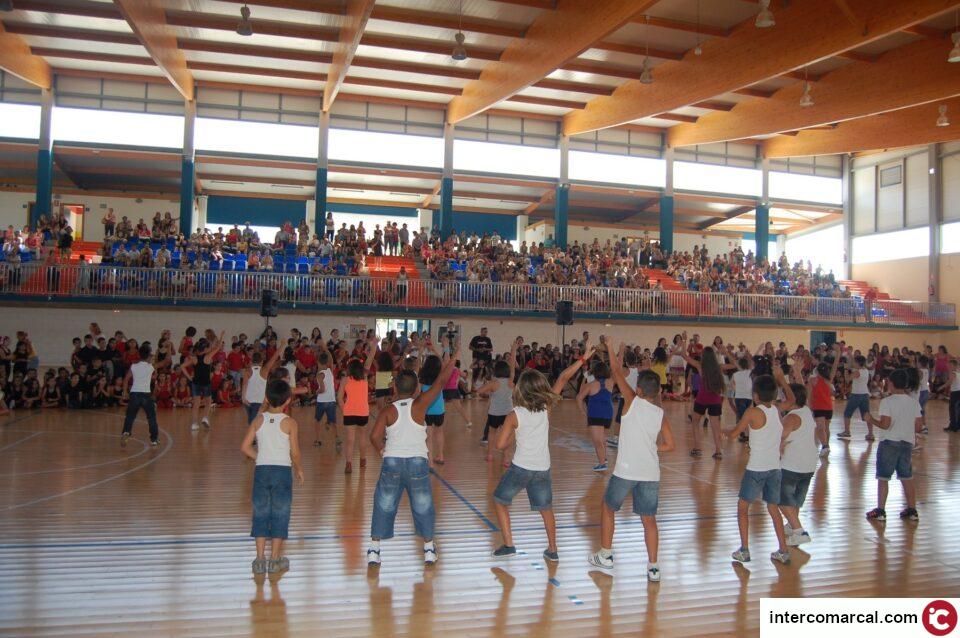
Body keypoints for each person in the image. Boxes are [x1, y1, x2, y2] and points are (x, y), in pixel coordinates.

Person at [490, 347, 592, 561]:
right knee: (546, 509)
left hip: (520, 468)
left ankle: (509, 544)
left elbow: (500, 445)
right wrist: (583, 358)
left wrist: (510, 435)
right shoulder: (546, 407)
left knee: (500, 500)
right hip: (542, 468)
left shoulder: (514, 414)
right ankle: (553, 549)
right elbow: (564, 377)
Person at [366, 346, 459, 568]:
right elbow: (441, 381)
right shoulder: (420, 404)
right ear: (417, 387)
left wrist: (381, 450)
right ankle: (428, 549)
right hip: (417, 464)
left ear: (394, 387)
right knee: (423, 505)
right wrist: (454, 358)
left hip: (392, 462)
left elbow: (374, 436)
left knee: (384, 504)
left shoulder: (388, 410)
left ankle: (374, 550)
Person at [588, 361, 675, 582]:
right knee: (649, 520)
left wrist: (609, 348)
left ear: (638, 390)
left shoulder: (632, 402)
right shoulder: (660, 414)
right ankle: (654, 567)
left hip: (625, 472)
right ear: (659, 391)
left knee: (608, 507)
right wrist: (653, 447)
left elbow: (616, 372)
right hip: (650, 473)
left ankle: (606, 554)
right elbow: (670, 445)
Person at [725, 373, 792, 565]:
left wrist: (724, 432)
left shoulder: (752, 412)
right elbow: (792, 401)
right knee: (773, 508)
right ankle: (783, 550)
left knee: (742, 507)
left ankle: (745, 549)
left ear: (755, 395)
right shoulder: (777, 411)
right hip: (775, 468)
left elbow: (735, 434)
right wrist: (782, 380)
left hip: (756, 469)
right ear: (773, 394)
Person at [240, 379, 304, 575]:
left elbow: (244, 447)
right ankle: (275, 559)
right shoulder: (290, 423)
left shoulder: (258, 420)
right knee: (280, 512)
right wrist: (299, 468)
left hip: (262, 471)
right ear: (287, 401)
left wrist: (260, 457)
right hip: (282, 472)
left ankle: (260, 559)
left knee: (260, 512)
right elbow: (294, 452)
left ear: (267, 398)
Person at [865, 369, 922, 522]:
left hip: (889, 443)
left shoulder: (887, 402)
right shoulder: (913, 402)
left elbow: (885, 424)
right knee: (907, 477)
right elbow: (918, 427)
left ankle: (881, 511)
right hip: (907, 443)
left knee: (883, 478)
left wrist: (871, 420)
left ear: (891, 383)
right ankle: (912, 510)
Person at [778, 378, 817, 547]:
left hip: (792, 464)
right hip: (809, 463)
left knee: (782, 499)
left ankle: (799, 531)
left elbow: (780, 435)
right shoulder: (807, 410)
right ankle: (791, 525)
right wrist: (798, 373)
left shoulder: (791, 418)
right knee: (795, 498)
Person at [475, 338, 518, 465]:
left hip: (494, 413)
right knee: (507, 436)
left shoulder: (494, 383)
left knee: (492, 434)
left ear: (496, 371)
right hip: (507, 413)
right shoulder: (510, 381)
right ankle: (506, 459)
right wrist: (513, 349)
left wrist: (489, 392)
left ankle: (489, 455)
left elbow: (479, 391)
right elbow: (512, 366)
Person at [337, 338, 376, 474]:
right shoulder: (364, 377)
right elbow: (370, 358)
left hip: (349, 413)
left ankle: (348, 464)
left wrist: (344, 410)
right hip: (363, 412)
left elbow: (339, 398)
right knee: (363, 437)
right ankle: (363, 460)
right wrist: (374, 344)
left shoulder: (345, 379)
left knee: (349, 440)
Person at [120, 342, 162, 448]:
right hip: (146, 395)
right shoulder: (150, 367)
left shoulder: (133, 366)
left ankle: (126, 432)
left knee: (130, 416)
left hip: (134, 394)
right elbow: (166, 361)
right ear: (149, 355)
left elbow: (126, 379)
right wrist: (167, 349)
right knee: (151, 417)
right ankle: (154, 439)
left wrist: (125, 392)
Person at [577, 359, 615, 472]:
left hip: (595, 414)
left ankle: (602, 463)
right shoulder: (611, 382)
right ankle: (604, 458)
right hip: (608, 414)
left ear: (595, 372)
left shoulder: (591, 385)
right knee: (602, 437)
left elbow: (579, 397)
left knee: (597, 440)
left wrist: (582, 411)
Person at [187, 332, 224, 432]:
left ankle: (194, 424)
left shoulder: (194, 358)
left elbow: (182, 366)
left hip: (196, 383)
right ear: (205, 349)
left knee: (196, 405)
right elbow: (218, 346)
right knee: (208, 402)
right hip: (206, 383)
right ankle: (205, 418)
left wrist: (189, 377)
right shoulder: (208, 357)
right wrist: (221, 336)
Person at [809, 344, 841, 457]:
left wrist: (809, 406)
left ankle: (825, 446)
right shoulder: (829, 380)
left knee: (820, 428)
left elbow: (809, 395)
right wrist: (838, 353)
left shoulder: (813, 380)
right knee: (825, 427)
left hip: (818, 407)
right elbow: (835, 366)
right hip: (828, 407)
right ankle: (826, 445)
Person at [242, 349, 280, 425]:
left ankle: (254, 435)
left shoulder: (248, 371)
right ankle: (254, 435)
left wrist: (243, 398)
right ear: (262, 361)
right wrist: (282, 345)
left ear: (251, 361)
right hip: (258, 401)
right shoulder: (265, 370)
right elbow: (274, 357)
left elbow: (244, 384)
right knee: (253, 422)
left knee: (252, 420)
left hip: (247, 400)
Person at [841, 355, 873, 441]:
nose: (853, 363)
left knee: (847, 413)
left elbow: (847, 379)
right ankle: (871, 433)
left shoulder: (857, 372)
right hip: (865, 394)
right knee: (867, 414)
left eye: (854, 361)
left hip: (856, 395)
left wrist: (846, 369)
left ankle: (847, 431)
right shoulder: (865, 371)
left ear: (858, 363)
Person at [313, 350, 338, 449]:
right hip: (331, 400)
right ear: (327, 362)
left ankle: (318, 440)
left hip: (322, 401)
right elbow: (331, 359)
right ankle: (337, 438)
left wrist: (316, 392)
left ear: (318, 362)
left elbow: (322, 389)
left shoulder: (319, 375)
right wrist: (326, 349)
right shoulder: (330, 370)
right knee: (333, 422)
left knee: (317, 420)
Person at [469, 327, 493, 392]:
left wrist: (485, 349)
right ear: (481, 331)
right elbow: (470, 347)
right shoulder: (475, 338)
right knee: (475, 372)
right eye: (484, 332)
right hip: (476, 358)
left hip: (485, 358)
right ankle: (473, 388)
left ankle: (484, 388)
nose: (486, 333)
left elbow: (491, 349)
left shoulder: (488, 339)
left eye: (486, 332)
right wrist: (477, 350)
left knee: (485, 372)